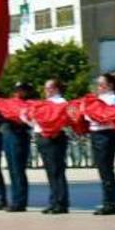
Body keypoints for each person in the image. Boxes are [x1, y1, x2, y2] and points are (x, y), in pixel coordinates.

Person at [33, 78, 69, 215]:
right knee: (50, 172)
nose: (46, 91)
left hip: (54, 137)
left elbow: (59, 121)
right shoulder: (44, 103)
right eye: (45, 88)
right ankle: (54, 201)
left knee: (57, 171)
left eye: (49, 88)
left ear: (56, 89)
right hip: (42, 136)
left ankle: (61, 203)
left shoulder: (61, 103)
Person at [88, 73, 115, 216]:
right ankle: (108, 201)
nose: (99, 87)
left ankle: (110, 203)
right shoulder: (99, 99)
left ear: (109, 85)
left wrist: (91, 113)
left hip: (106, 134)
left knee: (106, 170)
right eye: (98, 84)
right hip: (96, 134)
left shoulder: (112, 98)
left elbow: (105, 116)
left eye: (101, 84)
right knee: (103, 170)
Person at [1, 82, 32, 212]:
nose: (18, 92)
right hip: (8, 135)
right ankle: (15, 199)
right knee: (12, 170)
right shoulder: (11, 102)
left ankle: (20, 202)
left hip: (19, 136)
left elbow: (28, 120)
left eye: (21, 90)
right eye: (17, 90)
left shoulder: (30, 104)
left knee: (18, 170)